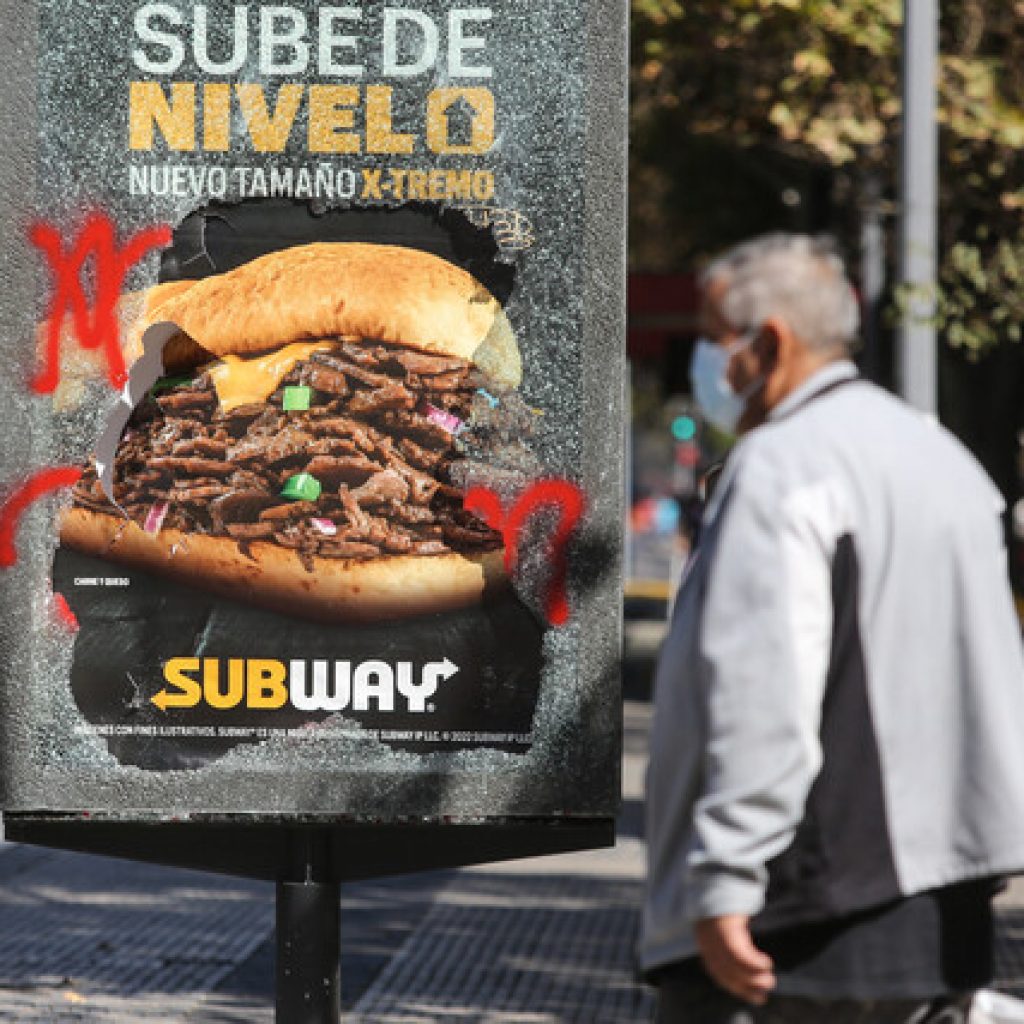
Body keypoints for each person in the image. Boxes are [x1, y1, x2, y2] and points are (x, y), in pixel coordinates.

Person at [640, 233, 1024, 1023]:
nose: (704, 363)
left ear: (769, 340)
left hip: (798, 913)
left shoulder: (783, 465)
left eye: (713, 338)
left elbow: (762, 692)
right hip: (937, 911)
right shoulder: (941, 456)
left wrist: (723, 883)